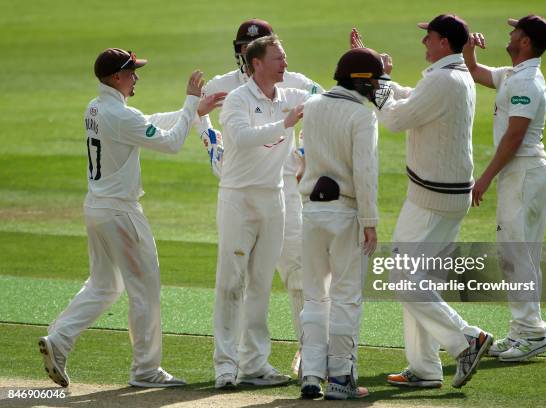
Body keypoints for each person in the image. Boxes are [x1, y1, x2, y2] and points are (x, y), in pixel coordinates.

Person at [38, 48, 225, 388]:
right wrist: (189, 104)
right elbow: (168, 143)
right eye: (132, 71)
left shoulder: (96, 107)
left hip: (97, 208)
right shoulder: (119, 115)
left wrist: (193, 111)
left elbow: (146, 123)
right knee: (145, 290)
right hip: (121, 213)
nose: (136, 76)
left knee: (104, 285)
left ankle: (59, 340)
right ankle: (146, 371)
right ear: (115, 77)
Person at [352, 15, 493, 389]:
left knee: (404, 280)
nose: (423, 43)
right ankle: (425, 368)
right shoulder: (450, 75)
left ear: (445, 42)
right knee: (420, 281)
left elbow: (396, 120)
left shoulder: (445, 79)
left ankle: (468, 340)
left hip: (433, 199)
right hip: (441, 195)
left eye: (428, 37)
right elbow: (411, 98)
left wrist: (374, 80)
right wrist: (379, 79)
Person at [200, 19, 323, 366]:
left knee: (297, 268)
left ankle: (307, 350)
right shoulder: (224, 87)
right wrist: (213, 148)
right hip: (240, 187)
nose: (245, 51)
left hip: (283, 186)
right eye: (242, 46)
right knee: (237, 276)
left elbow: (326, 106)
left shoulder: (293, 83)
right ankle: (235, 359)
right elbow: (199, 114)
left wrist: (305, 155)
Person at [463, 15, 546, 361]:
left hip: (524, 172)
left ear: (526, 42)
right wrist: (469, 52)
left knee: (516, 254)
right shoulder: (514, 74)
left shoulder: (528, 82)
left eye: (516, 31)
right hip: (522, 175)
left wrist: (484, 179)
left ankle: (531, 333)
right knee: (520, 255)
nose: (511, 34)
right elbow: (476, 73)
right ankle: (524, 331)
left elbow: (514, 137)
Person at [298, 47, 387, 400]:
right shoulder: (363, 117)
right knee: (347, 297)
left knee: (315, 297)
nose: (378, 86)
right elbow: (365, 173)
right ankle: (340, 378)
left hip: (311, 212)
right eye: (375, 80)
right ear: (360, 81)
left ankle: (311, 375)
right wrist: (370, 221)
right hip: (346, 212)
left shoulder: (313, 106)